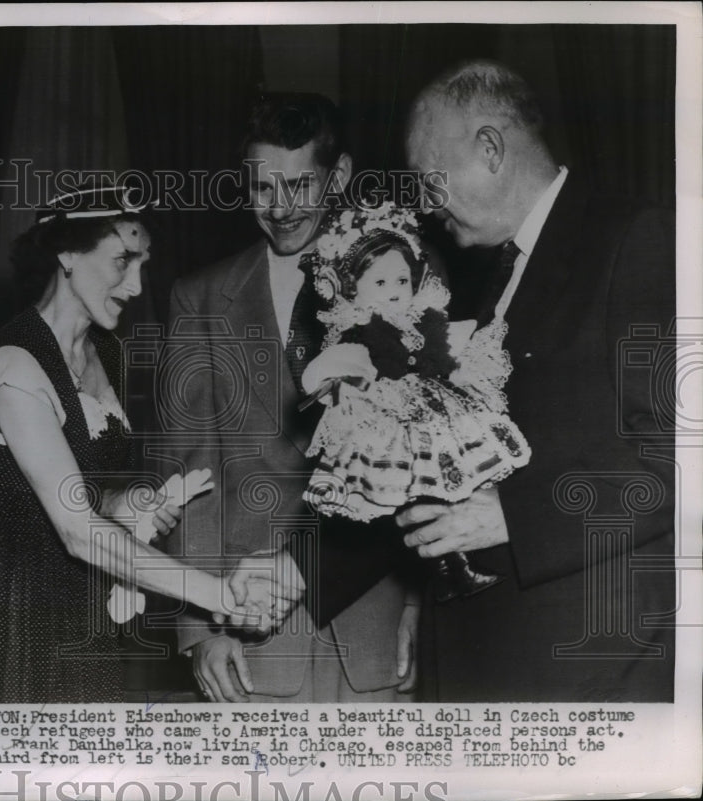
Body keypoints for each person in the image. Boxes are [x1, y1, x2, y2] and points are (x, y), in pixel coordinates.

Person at [0, 184, 296, 704]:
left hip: (84, 618)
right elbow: (78, 532)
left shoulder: (108, 353)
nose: (136, 284)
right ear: (67, 253)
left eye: (143, 264)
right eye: (122, 260)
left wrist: (124, 503)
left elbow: (71, 491)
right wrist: (220, 595)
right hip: (12, 620)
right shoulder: (14, 365)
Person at [393, 59, 675, 701]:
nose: (424, 205)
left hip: (592, 668)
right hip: (500, 662)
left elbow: (679, 461)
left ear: (490, 149)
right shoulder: (489, 275)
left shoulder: (637, 240)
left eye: (427, 181)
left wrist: (515, 517)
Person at [164, 93, 419, 703]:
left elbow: (427, 458)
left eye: (301, 185)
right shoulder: (199, 297)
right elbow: (188, 470)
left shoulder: (404, 278)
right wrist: (200, 627)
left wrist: (418, 602)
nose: (279, 208)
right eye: (260, 187)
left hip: (376, 627)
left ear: (341, 176)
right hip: (251, 638)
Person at [301, 205, 530, 526]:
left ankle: (458, 557)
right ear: (353, 289)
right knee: (406, 494)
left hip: (435, 413)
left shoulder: (423, 322)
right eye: (379, 283)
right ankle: (443, 559)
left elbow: (451, 338)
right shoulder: (360, 335)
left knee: (456, 480)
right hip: (390, 424)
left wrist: (468, 348)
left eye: (401, 280)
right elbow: (327, 371)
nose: (394, 292)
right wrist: (340, 384)